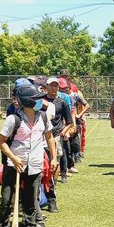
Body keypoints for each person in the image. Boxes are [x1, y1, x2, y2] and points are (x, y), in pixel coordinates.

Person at [0, 84, 57, 227]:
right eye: (37, 99)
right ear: (27, 101)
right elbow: (1, 142)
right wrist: (13, 158)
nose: (41, 102)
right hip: (14, 166)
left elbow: (49, 138)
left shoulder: (44, 117)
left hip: (35, 165)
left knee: (31, 199)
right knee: (7, 199)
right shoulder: (13, 119)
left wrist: (53, 158)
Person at [42, 77, 74, 213]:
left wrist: (63, 132)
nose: (54, 88)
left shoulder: (62, 102)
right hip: (39, 136)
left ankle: (52, 196)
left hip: (54, 137)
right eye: (51, 85)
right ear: (46, 87)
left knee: (54, 165)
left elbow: (69, 122)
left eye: (56, 86)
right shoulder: (39, 101)